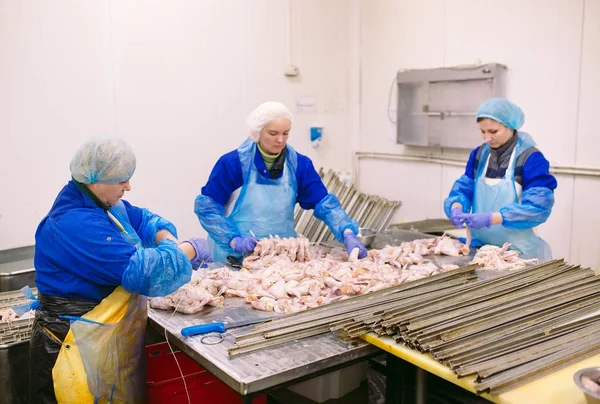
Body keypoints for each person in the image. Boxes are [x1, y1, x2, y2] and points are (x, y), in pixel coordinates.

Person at [30, 136, 212, 404]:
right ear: (94, 178)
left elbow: (146, 220)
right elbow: (144, 273)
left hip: (96, 339)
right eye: (121, 180)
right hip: (70, 344)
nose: (128, 186)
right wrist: (189, 249)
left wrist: (170, 245)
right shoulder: (76, 222)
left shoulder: (100, 203)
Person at [195, 101, 367, 263]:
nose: (280, 140)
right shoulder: (233, 163)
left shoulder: (299, 165)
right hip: (234, 257)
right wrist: (233, 240)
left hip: (282, 256)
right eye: (273, 133)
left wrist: (347, 232)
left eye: (286, 133)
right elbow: (207, 209)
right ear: (257, 132)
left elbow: (325, 205)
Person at [444, 98, 557, 259]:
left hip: (518, 252)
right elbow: (464, 188)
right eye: (482, 131)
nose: (487, 138)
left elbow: (537, 208)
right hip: (481, 249)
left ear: (510, 126)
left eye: (493, 132)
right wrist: (456, 206)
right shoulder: (479, 155)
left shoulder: (530, 159)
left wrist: (491, 218)